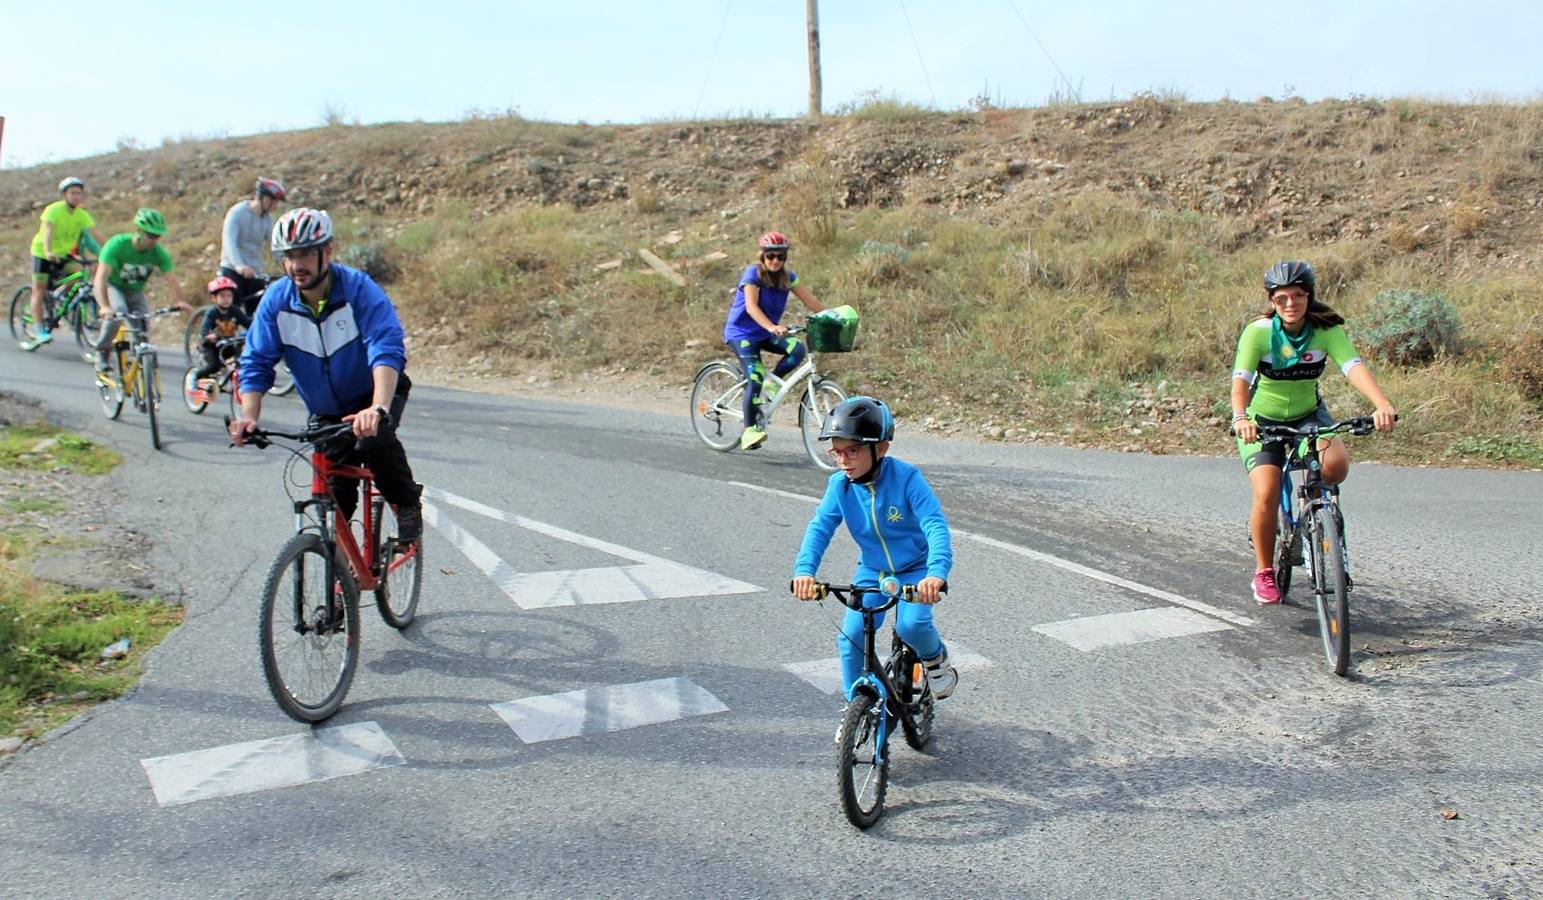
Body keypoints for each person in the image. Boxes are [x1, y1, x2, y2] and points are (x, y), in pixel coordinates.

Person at [229, 207, 422, 542]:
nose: (296, 265)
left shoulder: (358, 289)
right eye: (288, 256)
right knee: (334, 499)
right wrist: (248, 416)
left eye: (305, 254)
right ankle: (342, 577)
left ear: (327, 252)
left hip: (374, 391)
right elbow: (256, 361)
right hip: (326, 408)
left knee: (373, 441)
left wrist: (377, 408)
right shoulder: (277, 301)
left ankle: (406, 505)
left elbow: (385, 347)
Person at [1231, 260, 1397, 605]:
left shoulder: (1326, 330)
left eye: (1298, 296)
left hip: (1310, 416)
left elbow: (1353, 366)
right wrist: (1241, 417)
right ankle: (1263, 570)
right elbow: (1241, 381)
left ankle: (1319, 515)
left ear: (1309, 297)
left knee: (1335, 466)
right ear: (1272, 301)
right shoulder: (1259, 332)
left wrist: (1381, 403)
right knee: (1267, 491)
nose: (1290, 304)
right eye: (1282, 299)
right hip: (1262, 420)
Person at [791, 396, 957, 700]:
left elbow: (934, 525)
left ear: (880, 448)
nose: (843, 461)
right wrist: (804, 572)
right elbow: (820, 528)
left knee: (912, 625)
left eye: (852, 450)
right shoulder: (839, 486)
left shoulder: (907, 479)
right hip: (873, 570)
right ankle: (855, 706)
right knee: (853, 635)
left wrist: (935, 574)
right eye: (836, 452)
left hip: (916, 569)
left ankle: (935, 659)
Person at [722, 231, 827, 450]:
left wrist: (834, 315)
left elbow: (810, 300)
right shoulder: (753, 274)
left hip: (765, 333)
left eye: (781, 256)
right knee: (756, 375)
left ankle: (768, 390)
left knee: (797, 350)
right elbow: (751, 307)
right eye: (771, 256)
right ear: (762, 255)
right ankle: (750, 430)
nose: (776, 261)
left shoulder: (788, 277)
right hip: (742, 334)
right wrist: (771, 326)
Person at [92, 208, 191, 372]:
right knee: (118, 312)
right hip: (113, 287)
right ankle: (102, 351)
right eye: (150, 235)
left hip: (135, 291)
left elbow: (171, 279)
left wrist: (180, 300)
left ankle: (139, 360)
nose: (154, 240)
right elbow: (100, 278)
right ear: (138, 230)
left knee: (143, 325)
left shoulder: (158, 253)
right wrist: (104, 306)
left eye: (157, 236)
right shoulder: (117, 245)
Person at [21, 177, 105, 350]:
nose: (77, 196)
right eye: (73, 193)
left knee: (79, 275)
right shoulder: (53, 210)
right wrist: (49, 251)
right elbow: (48, 233)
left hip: (64, 255)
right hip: (43, 253)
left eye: (79, 193)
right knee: (39, 289)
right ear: (64, 195)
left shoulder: (82, 215)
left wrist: (109, 253)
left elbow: (96, 236)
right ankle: (39, 330)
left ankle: (59, 296)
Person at [219, 177, 286, 315]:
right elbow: (229, 242)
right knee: (232, 314)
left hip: (254, 272)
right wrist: (239, 265)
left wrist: (287, 265)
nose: (276, 206)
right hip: (232, 269)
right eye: (276, 202)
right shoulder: (236, 213)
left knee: (260, 313)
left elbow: (275, 247)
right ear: (266, 199)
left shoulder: (268, 220)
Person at [192, 276, 251, 382]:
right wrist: (209, 336)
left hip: (228, 345)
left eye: (229, 296)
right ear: (214, 298)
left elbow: (249, 323)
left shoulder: (235, 311)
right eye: (222, 296)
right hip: (211, 346)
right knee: (212, 367)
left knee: (241, 363)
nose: (226, 299)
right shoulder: (212, 313)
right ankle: (194, 376)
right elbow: (204, 330)